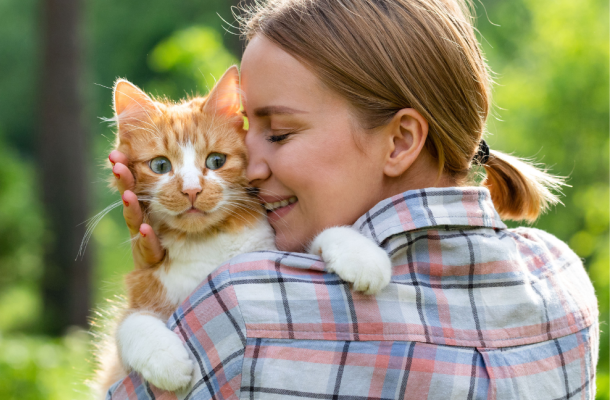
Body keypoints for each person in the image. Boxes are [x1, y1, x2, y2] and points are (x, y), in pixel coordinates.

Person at [106, 0, 599, 398]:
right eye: (247, 134)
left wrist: (179, 285)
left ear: (401, 141)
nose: (251, 167)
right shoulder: (561, 276)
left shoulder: (244, 305)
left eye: (277, 133)